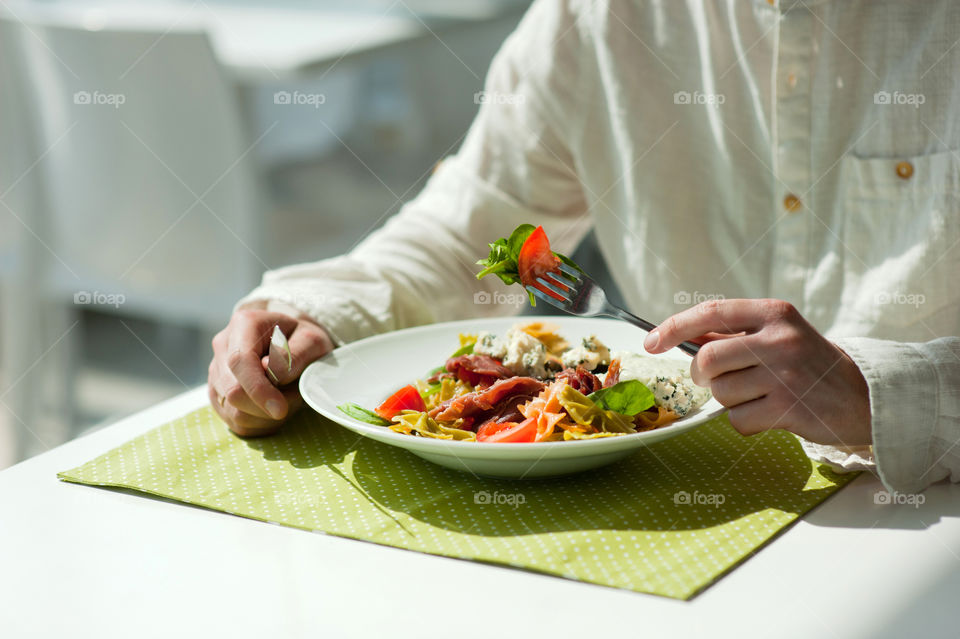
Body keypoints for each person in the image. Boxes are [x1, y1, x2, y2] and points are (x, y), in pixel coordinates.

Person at [208, 0, 960, 495]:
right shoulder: (598, 16)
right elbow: (469, 237)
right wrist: (310, 314)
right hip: (665, 525)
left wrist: (876, 395)